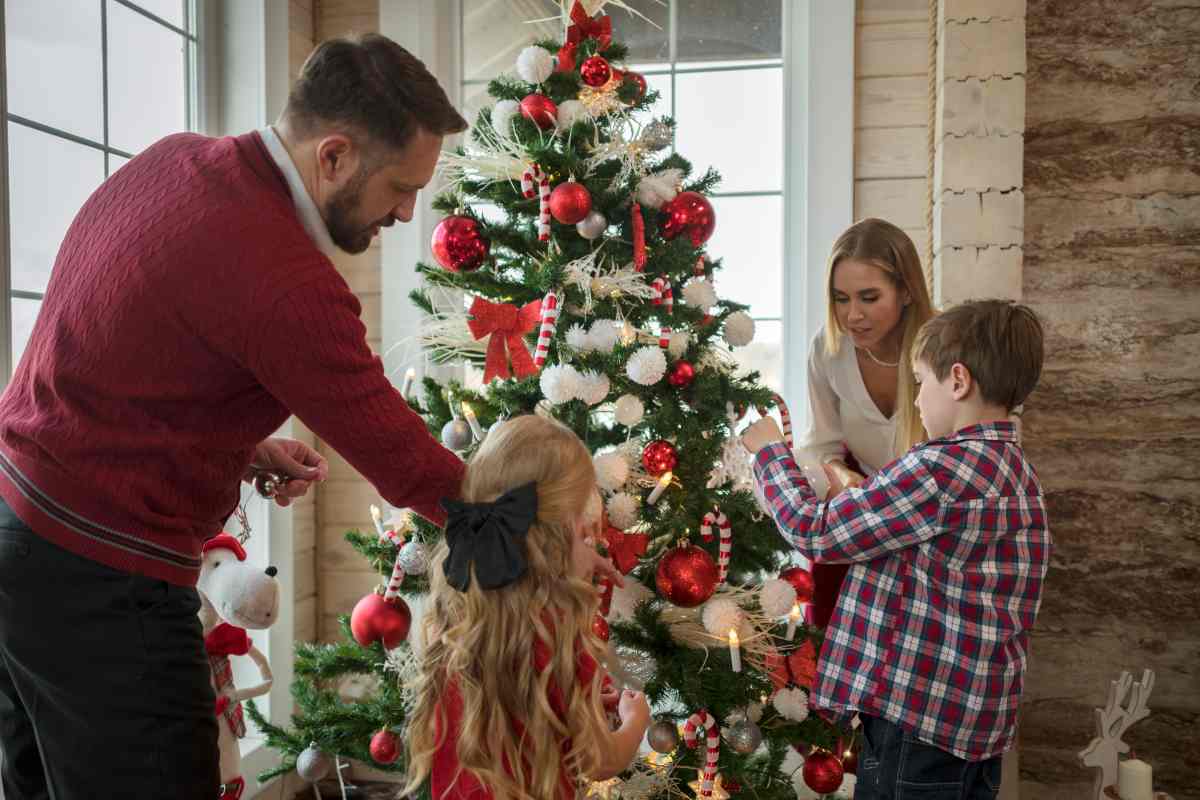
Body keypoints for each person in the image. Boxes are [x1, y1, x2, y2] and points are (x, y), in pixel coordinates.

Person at [0, 35, 471, 799]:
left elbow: (112, 350)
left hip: (15, 529)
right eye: (400, 186)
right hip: (99, 580)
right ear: (336, 156)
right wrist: (528, 513)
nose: (409, 209)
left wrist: (234, 444)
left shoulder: (173, 160)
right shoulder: (288, 281)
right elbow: (406, 461)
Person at [742, 300, 1050, 800]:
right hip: (974, 724)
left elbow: (815, 532)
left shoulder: (940, 469)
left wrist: (771, 454)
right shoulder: (1015, 470)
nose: (918, 397)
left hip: (917, 723)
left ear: (958, 380)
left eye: (921, 382)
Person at [403, 415, 651, 800]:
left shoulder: (455, 609)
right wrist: (635, 723)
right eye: (580, 525)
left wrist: (574, 702)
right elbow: (600, 760)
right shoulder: (556, 633)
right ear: (561, 530)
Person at [798, 218, 936, 626]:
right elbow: (821, 444)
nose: (852, 315)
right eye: (841, 299)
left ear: (906, 290)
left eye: (869, 297)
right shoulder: (827, 350)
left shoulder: (945, 347)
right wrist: (840, 473)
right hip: (860, 521)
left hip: (931, 525)